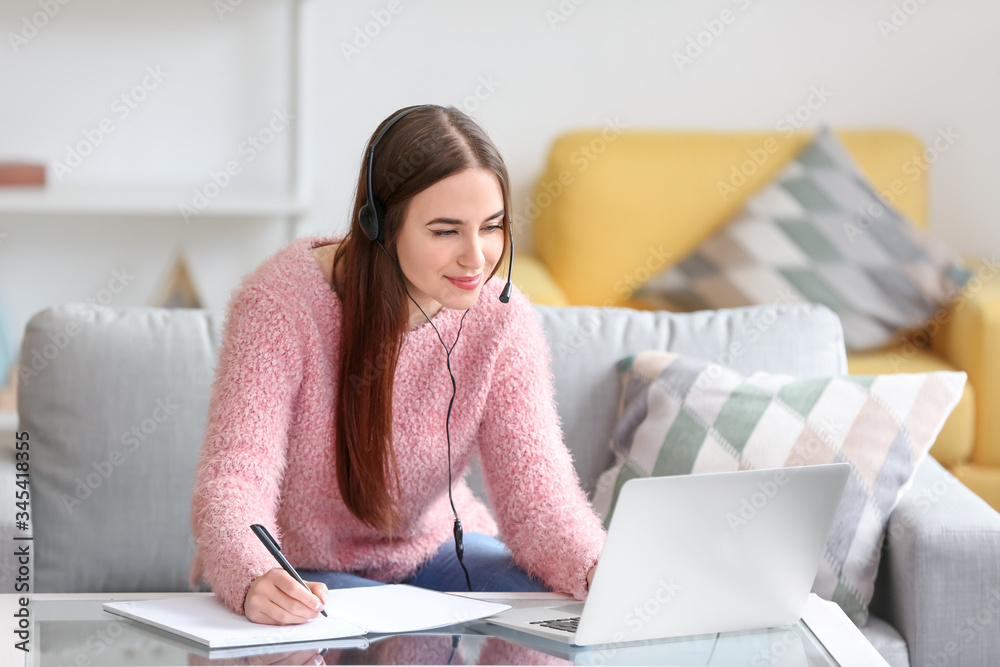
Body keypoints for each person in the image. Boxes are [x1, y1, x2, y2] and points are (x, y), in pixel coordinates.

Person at [188, 104, 606, 630]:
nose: (477, 258)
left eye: (492, 227)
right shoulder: (280, 303)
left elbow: (540, 500)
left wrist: (599, 569)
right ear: (380, 226)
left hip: (433, 554)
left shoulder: (502, 317)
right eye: (445, 231)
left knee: (568, 613)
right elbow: (232, 483)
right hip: (304, 571)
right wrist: (252, 574)